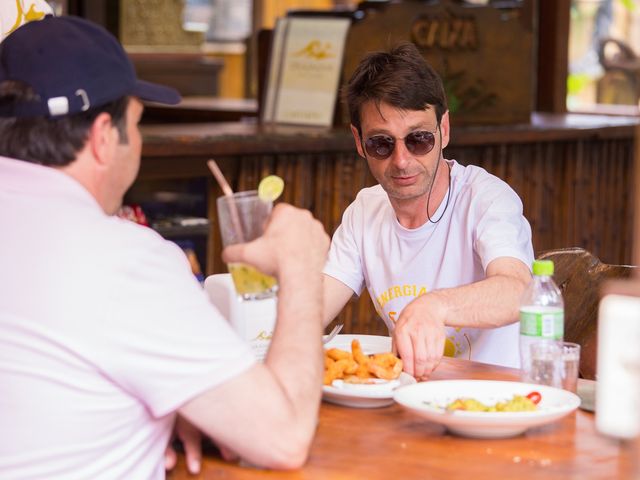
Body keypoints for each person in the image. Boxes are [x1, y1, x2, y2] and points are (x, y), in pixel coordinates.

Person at [0, 16, 329, 479]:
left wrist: (169, 403)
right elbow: (284, 438)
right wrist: (300, 267)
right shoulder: (124, 258)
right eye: (136, 124)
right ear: (101, 138)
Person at [323, 43, 534, 379]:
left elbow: (520, 291)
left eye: (418, 139)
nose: (402, 160)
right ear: (359, 143)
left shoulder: (487, 199)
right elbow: (316, 308)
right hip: (411, 402)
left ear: (444, 130)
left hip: (498, 404)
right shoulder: (365, 210)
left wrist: (434, 306)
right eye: (381, 143)